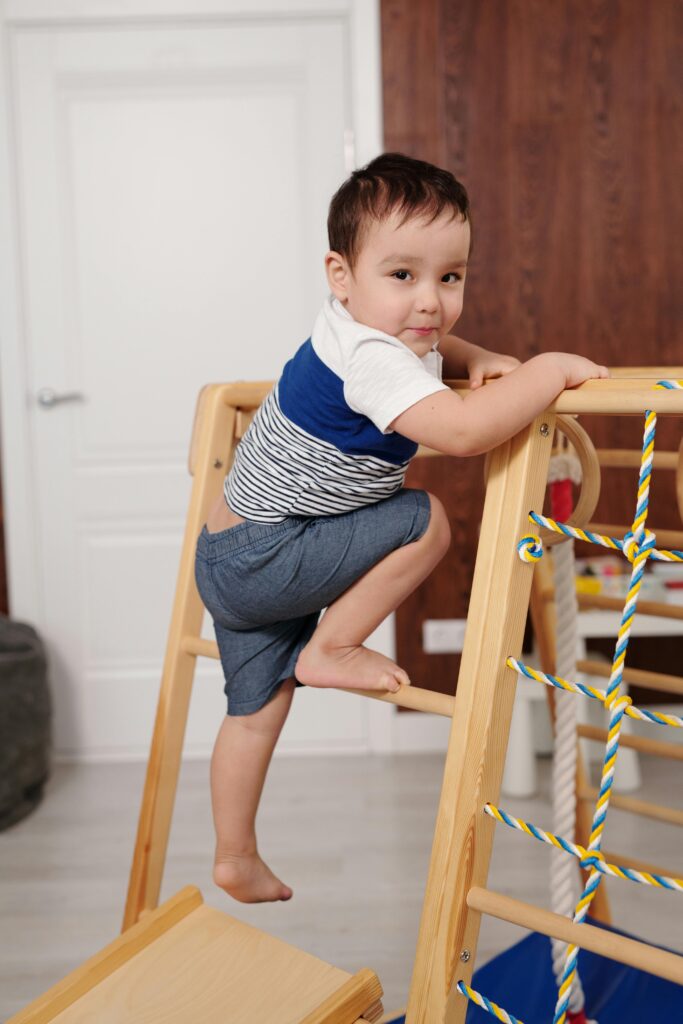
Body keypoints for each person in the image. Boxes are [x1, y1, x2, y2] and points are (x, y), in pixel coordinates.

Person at [194, 152, 608, 904]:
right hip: (269, 553)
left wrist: (473, 353)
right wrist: (542, 371)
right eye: (402, 276)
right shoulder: (373, 360)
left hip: (228, 556)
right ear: (340, 274)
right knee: (424, 519)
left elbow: (426, 343)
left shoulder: (358, 329)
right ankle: (335, 647)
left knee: (253, 714)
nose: (429, 301)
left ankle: (234, 855)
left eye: (449, 278)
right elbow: (460, 433)